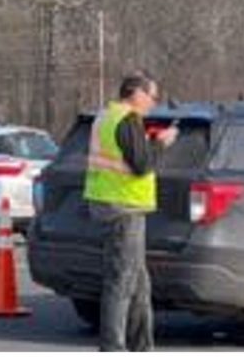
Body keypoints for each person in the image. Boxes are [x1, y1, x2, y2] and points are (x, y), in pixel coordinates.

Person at [83, 70, 178, 352]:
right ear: (137, 92)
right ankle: (112, 347)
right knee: (122, 280)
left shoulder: (105, 116)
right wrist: (162, 142)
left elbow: (127, 156)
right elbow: (142, 164)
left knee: (138, 282)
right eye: (152, 96)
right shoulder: (127, 120)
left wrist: (148, 141)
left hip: (113, 204)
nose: (154, 102)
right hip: (123, 208)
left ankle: (141, 346)